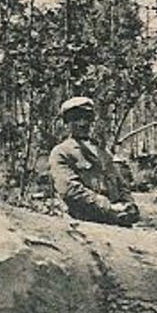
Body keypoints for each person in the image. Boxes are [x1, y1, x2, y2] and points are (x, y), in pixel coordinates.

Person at [49, 96, 140, 226]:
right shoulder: (61, 152)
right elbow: (69, 190)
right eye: (76, 118)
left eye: (87, 118)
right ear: (66, 123)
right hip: (83, 221)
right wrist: (108, 206)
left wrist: (129, 204)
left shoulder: (103, 152)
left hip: (115, 219)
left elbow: (121, 184)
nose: (82, 123)